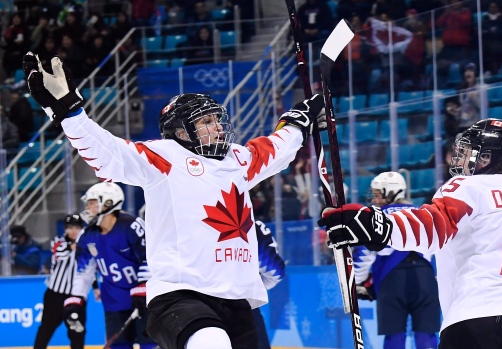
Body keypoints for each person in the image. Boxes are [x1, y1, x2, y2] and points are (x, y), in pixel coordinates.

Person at [22, 52, 324, 349]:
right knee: (211, 344)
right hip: (181, 295)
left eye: (217, 119)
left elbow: (275, 150)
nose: (218, 126)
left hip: (237, 298)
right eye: (206, 121)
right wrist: (72, 115)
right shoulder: (165, 157)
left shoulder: (238, 159)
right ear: (181, 131)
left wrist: (298, 122)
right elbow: (109, 155)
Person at [319, 118, 502, 349]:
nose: (460, 159)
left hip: (475, 319)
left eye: (471, 153)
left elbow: (431, 226)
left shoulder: (467, 187)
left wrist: (375, 225)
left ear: (490, 157)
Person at [63, 182, 155, 349]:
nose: (88, 207)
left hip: (146, 300)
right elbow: (83, 272)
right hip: (114, 301)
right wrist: (76, 298)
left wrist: (143, 289)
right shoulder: (87, 235)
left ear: (108, 203)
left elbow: (150, 257)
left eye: (92, 202)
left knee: (150, 345)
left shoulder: (132, 226)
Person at [354, 171, 440, 349]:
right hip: (425, 279)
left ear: (389, 193)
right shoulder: (423, 212)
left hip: (391, 281)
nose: (374, 199)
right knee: (426, 336)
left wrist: (361, 281)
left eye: (377, 194)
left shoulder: (374, 217)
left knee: (394, 337)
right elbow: (439, 247)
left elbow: (362, 255)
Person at [34, 214, 89, 349]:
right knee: (47, 328)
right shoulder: (58, 241)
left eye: (77, 227)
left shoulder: (86, 245)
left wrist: (95, 287)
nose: (73, 231)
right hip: (55, 295)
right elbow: (60, 253)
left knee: (77, 330)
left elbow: (89, 268)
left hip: (76, 296)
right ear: (65, 229)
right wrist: (73, 247)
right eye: (70, 228)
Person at [254, 220, 286, 349]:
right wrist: (252, 290)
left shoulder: (191, 222)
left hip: (194, 308)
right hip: (241, 307)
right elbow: (275, 272)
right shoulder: (249, 224)